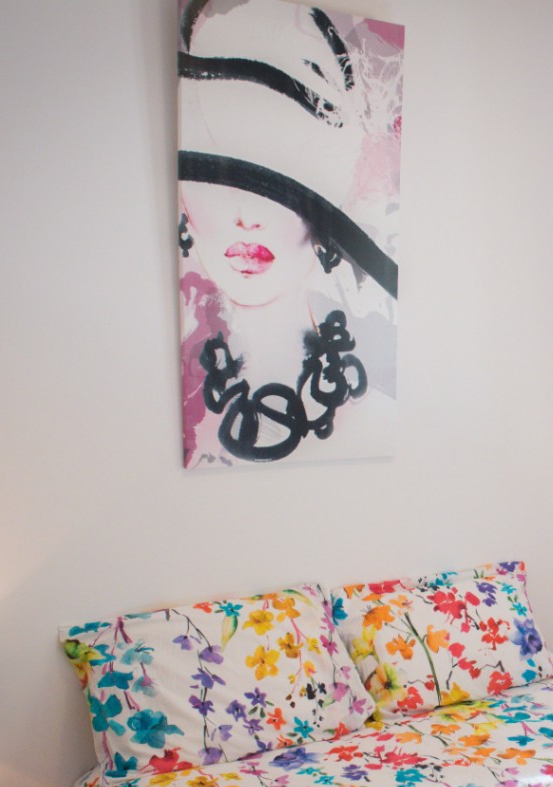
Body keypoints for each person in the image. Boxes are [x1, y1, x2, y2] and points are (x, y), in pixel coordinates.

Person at [177, 0, 402, 467]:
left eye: (277, 185)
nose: (247, 216)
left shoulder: (381, 422)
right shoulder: (174, 414)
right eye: (222, 176)